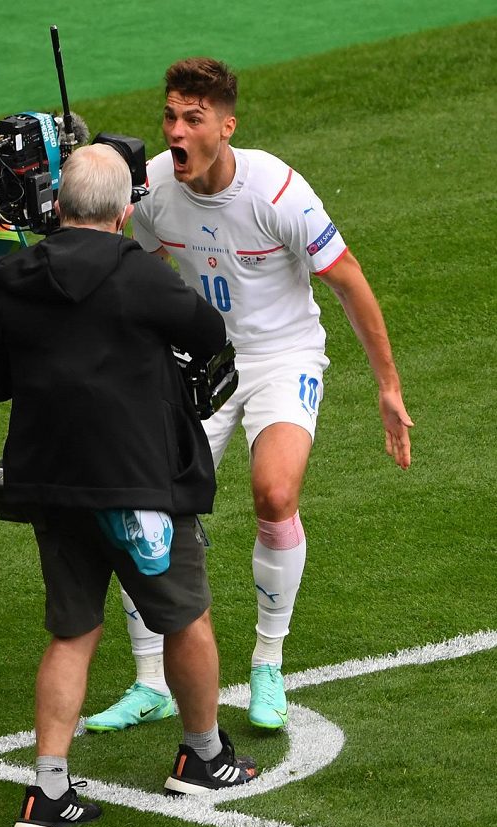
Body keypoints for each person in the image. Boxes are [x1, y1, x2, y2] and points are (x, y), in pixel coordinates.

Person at [84, 57, 414, 734]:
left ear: (226, 127)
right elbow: (136, 263)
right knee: (143, 504)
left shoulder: (279, 193)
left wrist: (388, 385)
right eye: (169, 115)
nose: (175, 129)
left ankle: (267, 661)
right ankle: (150, 681)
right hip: (200, 359)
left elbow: (347, 280)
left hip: (281, 357)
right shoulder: (150, 190)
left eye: (192, 118)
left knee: (274, 493)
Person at [0, 143, 257, 827]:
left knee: (73, 632)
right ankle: (203, 756)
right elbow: (207, 331)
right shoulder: (139, 275)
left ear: (59, 206)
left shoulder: (11, 278)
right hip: (140, 486)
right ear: (126, 209)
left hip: (49, 484)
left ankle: (46, 792)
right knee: (185, 616)